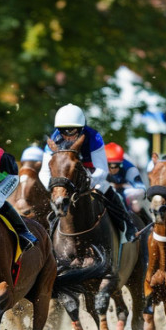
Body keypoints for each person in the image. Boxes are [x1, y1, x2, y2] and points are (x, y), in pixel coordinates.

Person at [39, 103, 136, 242]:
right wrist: (55, 187)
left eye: (72, 131)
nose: (68, 136)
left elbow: (102, 170)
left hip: (89, 173)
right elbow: (43, 172)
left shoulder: (94, 137)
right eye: (63, 131)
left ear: (81, 128)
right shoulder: (54, 139)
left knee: (104, 187)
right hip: (65, 179)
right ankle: (47, 236)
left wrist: (88, 181)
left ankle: (127, 224)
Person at [104, 142, 149, 222]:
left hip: (129, 192)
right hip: (110, 190)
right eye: (108, 165)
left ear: (121, 164)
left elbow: (142, 190)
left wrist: (120, 186)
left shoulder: (130, 169)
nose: (111, 169)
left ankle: (146, 223)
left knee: (135, 205)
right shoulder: (99, 165)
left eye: (115, 166)